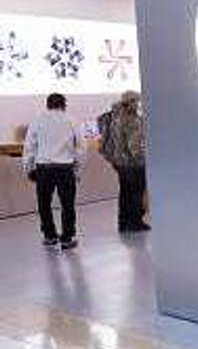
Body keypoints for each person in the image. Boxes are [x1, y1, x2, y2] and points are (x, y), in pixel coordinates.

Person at [21, 93, 85, 251]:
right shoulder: (72, 121)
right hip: (65, 168)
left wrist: (28, 168)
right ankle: (67, 238)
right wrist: (77, 169)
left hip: (43, 168)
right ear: (64, 104)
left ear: (47, 104)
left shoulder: (37, 121)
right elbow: (81, 148)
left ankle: (49, 235)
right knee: (67, 204)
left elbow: (29, 147)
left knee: (44, 204)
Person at [100, 91, 150, 232]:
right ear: (131, 102)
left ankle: (123, 223)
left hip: (119, 163)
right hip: (133, 163)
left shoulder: (113, 117)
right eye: (136, 101)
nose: (138, 104)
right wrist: (142, 158)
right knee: (136, 192)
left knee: (125, 192)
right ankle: (135, 222)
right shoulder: (132, 119)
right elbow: (134, 145)